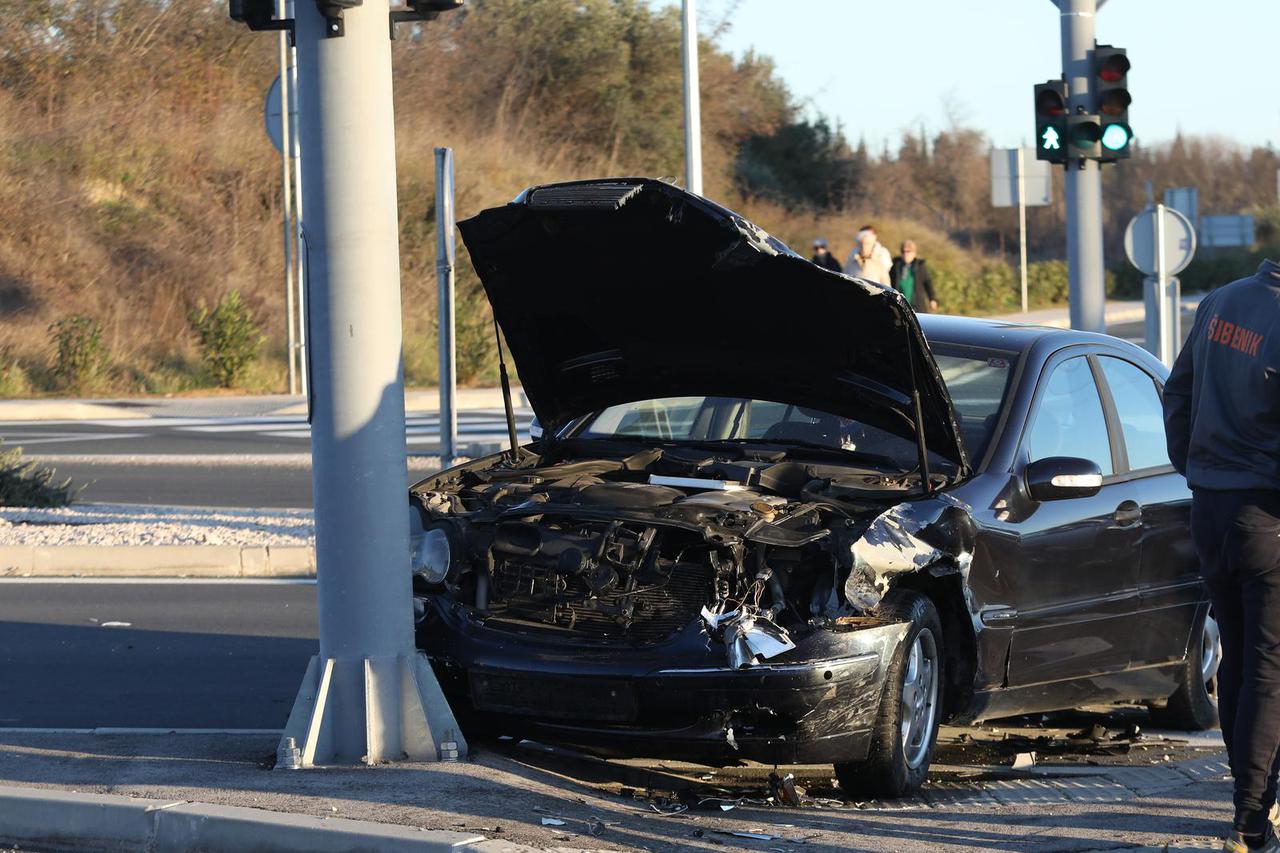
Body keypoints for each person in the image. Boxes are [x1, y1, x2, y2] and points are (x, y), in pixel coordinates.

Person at [1164, 260, 1280, 853]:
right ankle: (1251, 819)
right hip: (1265, 513)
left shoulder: (1221, 300)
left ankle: (1250, 806)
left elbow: (1178, 390)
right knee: (1268, 667)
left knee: (1241, 657)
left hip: (1211, 507)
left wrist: (1196, 468)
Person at [889, 240, 939, 313]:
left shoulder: (920, 267)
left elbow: (928, 283)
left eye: (908, 251)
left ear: (914, 253)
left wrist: (932, 299)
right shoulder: (895, 266)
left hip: (917, 306)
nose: (905, 254)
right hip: (899, 306)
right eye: (903, 252)